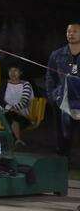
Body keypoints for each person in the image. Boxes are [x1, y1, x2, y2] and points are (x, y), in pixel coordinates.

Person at [45, 23, 80, 157]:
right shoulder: (57, 55)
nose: (71, 34)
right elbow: (50, 77)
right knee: (63, 134)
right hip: (62, 100)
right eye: (69, 31)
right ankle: (63, 159)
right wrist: (52, 96)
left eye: (75, 31)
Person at [0, 64, 34, 146]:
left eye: (15, 71)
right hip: (7, 113)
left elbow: (24, 101)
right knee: (10, 116)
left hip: (23, 115)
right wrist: (10, 108)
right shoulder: (4, 84)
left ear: (20, 72)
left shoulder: (26, 84)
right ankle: (17, 140)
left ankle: (14, 141)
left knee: (13, 117)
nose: (12, 73)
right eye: (10, 71)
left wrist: (13, 109)